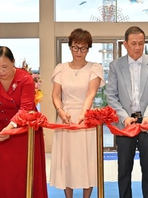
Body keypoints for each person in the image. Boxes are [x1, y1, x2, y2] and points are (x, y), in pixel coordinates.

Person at [0, 45, 48, 198]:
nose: (1, 72)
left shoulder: (25, 79)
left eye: (5, 67)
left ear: (13, 62)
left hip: (23, 131)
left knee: (23, 175)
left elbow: (25, 108)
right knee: (0, 177)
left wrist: (10, 128)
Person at [105, 26, 148, 198]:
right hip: (125, 124)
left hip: (147, 122)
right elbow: (111, 95)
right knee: (124, 169)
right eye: (133, 43)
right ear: (125, 44)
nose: (137, 47)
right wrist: (123, 117)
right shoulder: (116, 65)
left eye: (141, 43)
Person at [50, 28, 105, 198]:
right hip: (65, 119)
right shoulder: (61, 68)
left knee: (86, 159)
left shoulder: (94, 68)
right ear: (70, 47)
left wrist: (83, 113)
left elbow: (90, 93)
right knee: (68, 160)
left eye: (83, 48)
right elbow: (56, 95)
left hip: (85, 118)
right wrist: (60, 110)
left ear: (88, 48)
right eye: (75, 47)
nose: (79, 52)